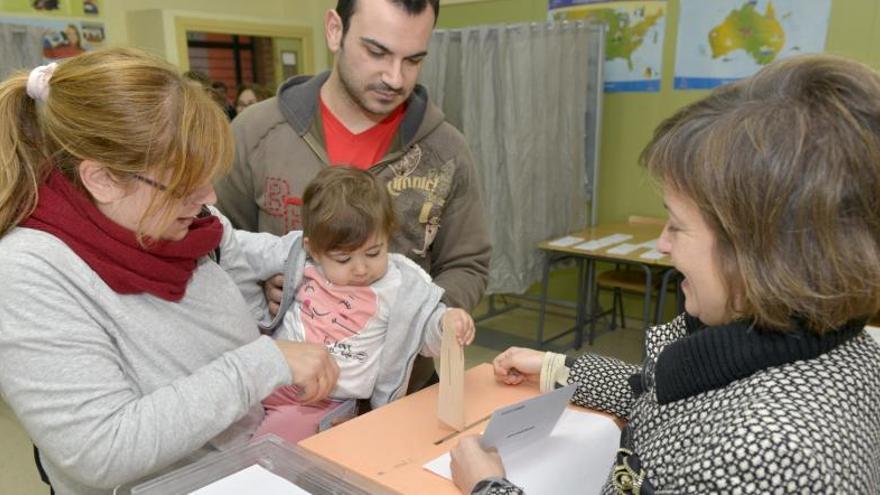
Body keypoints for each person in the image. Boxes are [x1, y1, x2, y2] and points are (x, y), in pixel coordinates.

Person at [449, 54, 880, 494]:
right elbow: (656, 392)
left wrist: (488, 487)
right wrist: (556, 368)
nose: (662, 243)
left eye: (677, 225)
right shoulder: (781, 337)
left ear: (759, 252)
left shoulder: (772, 456)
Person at [0, 48, 339, 495]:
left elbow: (244, 252)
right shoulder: (29, 271)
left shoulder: (188, 224)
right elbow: (103, 449)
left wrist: (335, 254)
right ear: (101, 178)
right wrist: (263, 363)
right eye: (183, 184)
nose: (209, 196)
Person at [214, 0, 491, 391]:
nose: (395, 78)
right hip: (284, 396)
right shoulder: (256, 133)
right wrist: (260, 292)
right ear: (334, 30)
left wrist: (422, 318)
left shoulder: (445, 150)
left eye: (413, 60)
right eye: (377, 52)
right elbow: (213, 250)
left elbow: (468, 263)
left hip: (403, 394)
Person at [231, 166, 476, 443]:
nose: (361, 269)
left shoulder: (399, 287)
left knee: (265, 453)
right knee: (228, 430)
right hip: (272, 376)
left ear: (388, 237)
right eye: (343, 259)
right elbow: (236, 247)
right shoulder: (298, 255)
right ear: (313, 249)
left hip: (326, 403)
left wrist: (447, 325)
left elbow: (425, 332)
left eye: (374, 252)